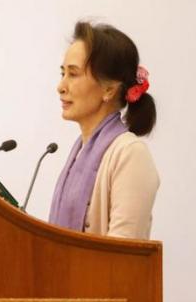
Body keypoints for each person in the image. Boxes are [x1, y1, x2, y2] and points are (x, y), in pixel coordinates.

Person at [48, 21, 160, 240]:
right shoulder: (80, 152)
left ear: (108, 89)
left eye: (73, 74)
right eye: (62, 73)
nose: (61, 86)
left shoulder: (130, 153)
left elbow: (122, 255)